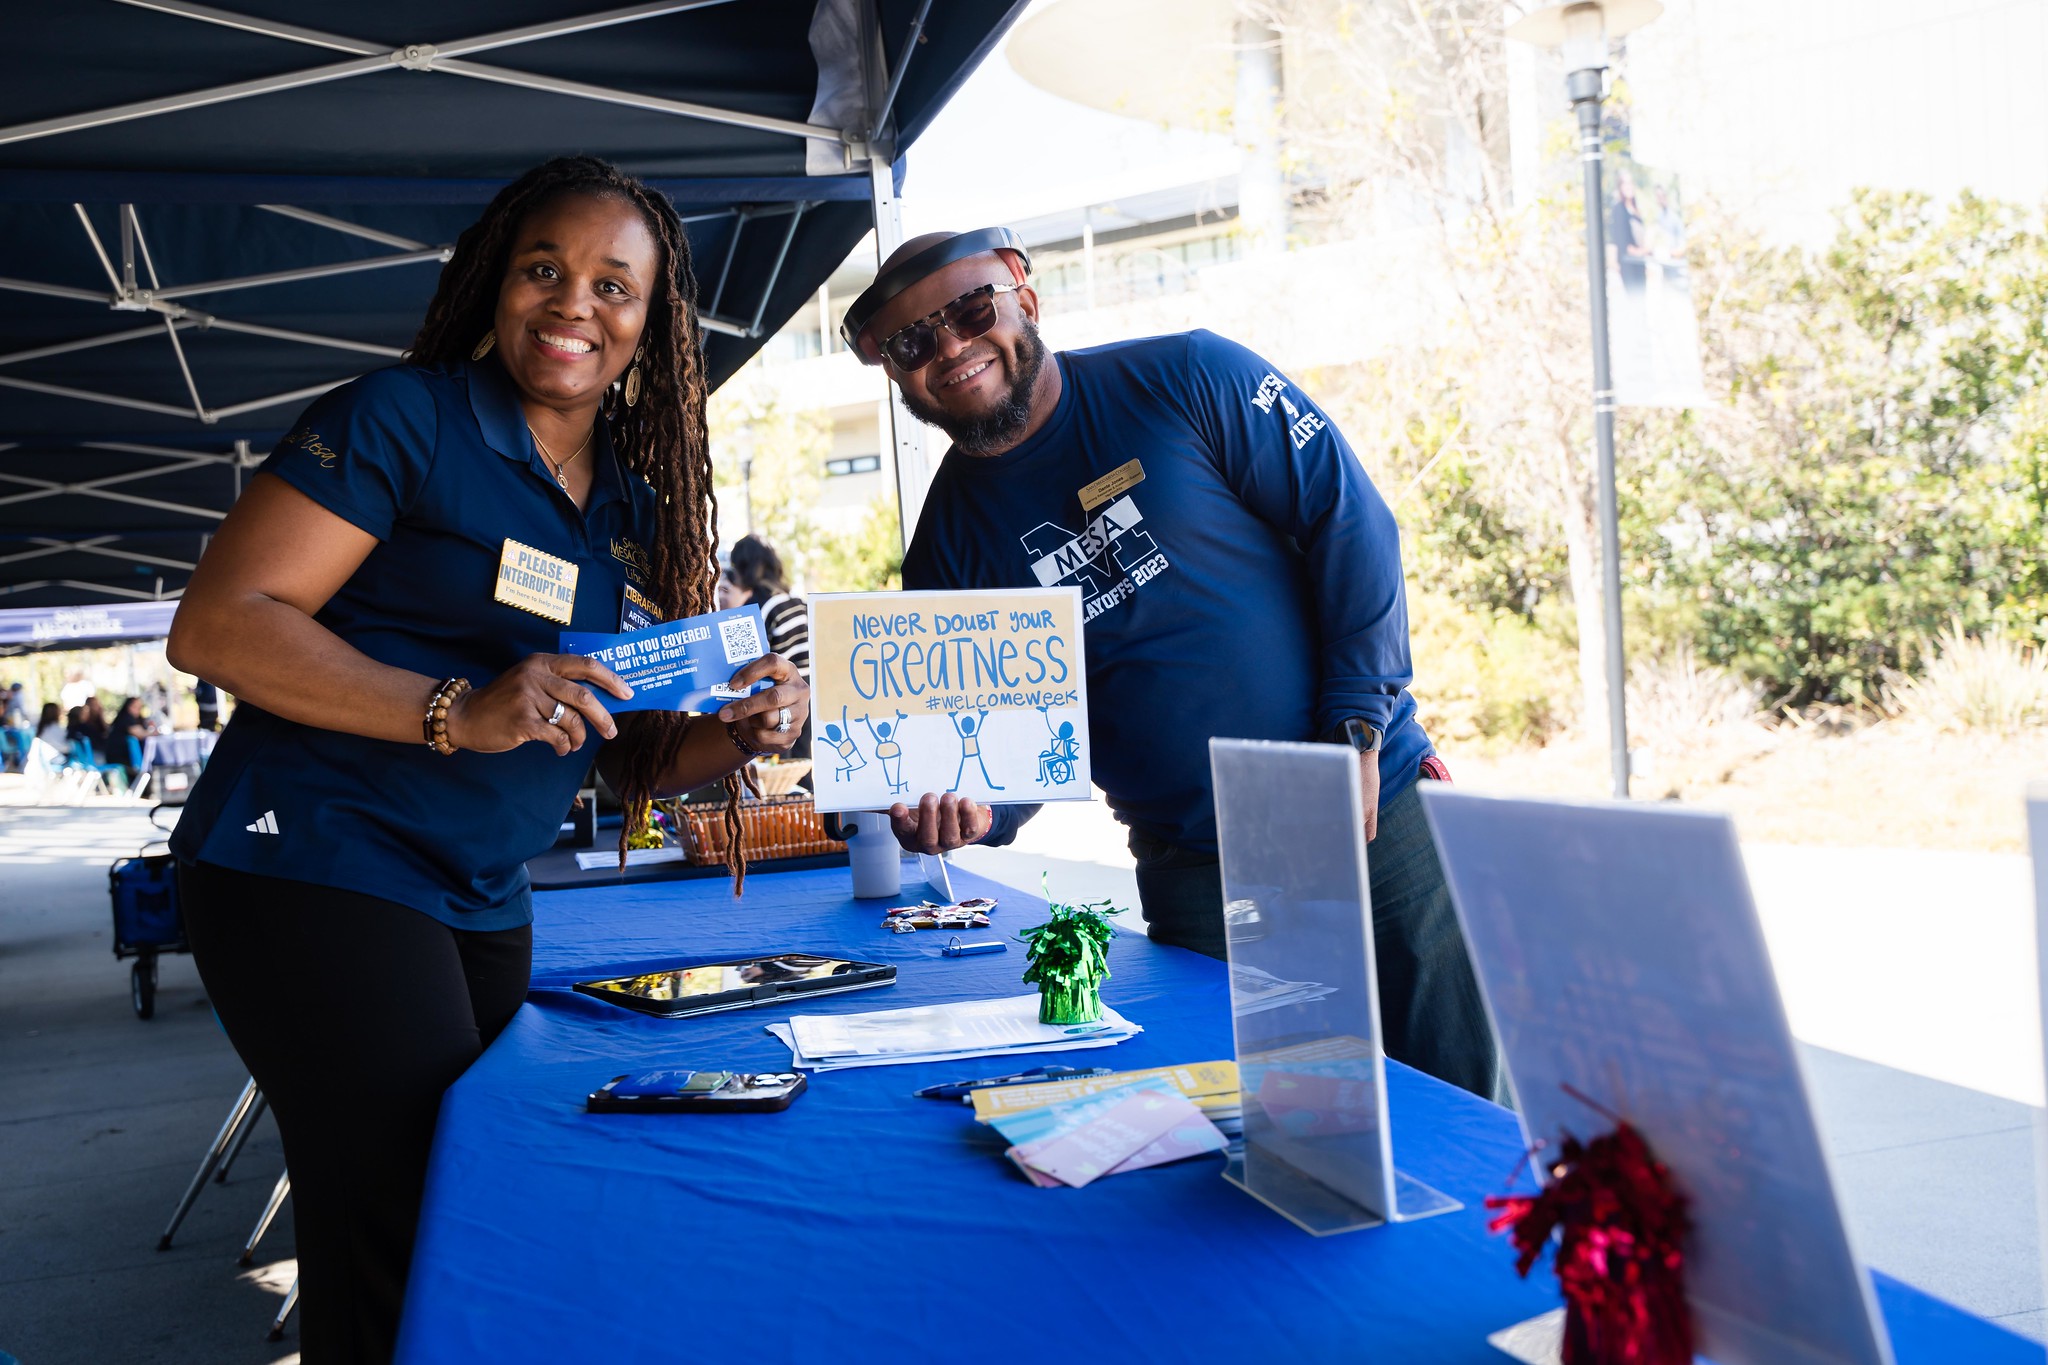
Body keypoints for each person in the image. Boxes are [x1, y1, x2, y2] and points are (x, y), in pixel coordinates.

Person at [165, 157, 810, 1364]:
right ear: (493, 284)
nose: (574, 304)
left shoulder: (630, 504)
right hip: (315, 860)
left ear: (651, 327)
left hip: (475, 887)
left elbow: (626, 761)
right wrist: (456, 710)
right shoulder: (398, 418)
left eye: (614, 285)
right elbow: (218, 624)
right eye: (544, 270)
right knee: (394, 1226)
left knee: (485, 1197)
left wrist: (749, 730)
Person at [839, 227, 1499, 1102]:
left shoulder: (1188, 377)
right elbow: (1015, 754)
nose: (953, 347)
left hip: (1375, 808)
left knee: (1467, 1109)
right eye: (915, 342)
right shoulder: (946, 552)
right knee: (1277, 1140)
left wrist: (1357, 728)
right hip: (1197, 869)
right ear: (897, 373)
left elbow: (1352, 522)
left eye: (969, 311)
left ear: (1023, 301)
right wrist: (968, 812)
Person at [719, 533, 812, 764]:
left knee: (779, 771)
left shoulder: (759, 606)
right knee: (801, 769)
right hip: (807, 697)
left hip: (778, 704)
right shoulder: (795, 601)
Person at [106, 696, 149, 784]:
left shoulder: (133, 718)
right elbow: (140, 734)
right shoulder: (126, 718)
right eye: (136, 706)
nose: (138, 709)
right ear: (129, 706)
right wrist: (154, 732)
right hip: (120, 757)